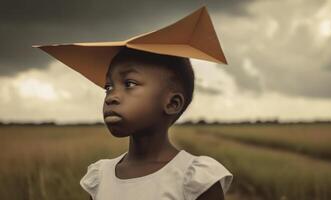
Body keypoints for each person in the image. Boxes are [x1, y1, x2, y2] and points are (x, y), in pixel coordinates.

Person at [33, 5, 233, 200]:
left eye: (129, 83)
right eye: (108, 87)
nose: (111, 97)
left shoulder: (194, 179)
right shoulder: (99, 176)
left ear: (172, 103)